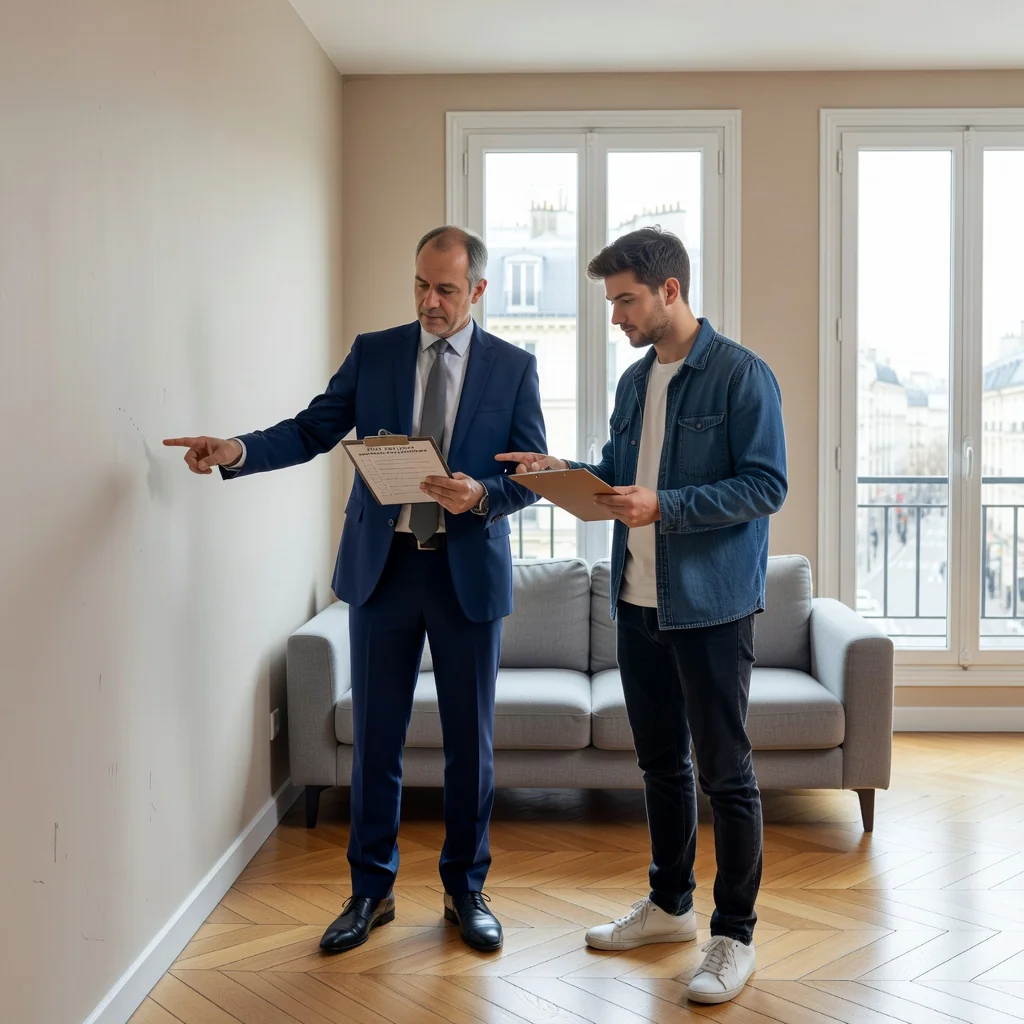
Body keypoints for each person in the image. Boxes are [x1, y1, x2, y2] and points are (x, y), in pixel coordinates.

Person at [165, 226, 546, 955]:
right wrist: (237, 451)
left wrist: (482, 494)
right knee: (376, 739)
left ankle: (466, 890)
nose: (429, 302)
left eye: (445, 290)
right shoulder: (376, 353)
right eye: (420, 285)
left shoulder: (514, 368)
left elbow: (528, 473)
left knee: (471, 745)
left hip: (467, 571)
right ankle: (370, 890)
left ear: (478, 291)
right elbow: (313, 429)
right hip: (383, 570)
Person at [498, 227, 787, 1005]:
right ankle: (669, 907)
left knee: (727, 774)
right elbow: (618, 476)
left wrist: (669, 506)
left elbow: (766, 485)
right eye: (611, 301)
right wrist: (555, 474)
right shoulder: (634, 383)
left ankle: (734, 936)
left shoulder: (740, 376)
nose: (616, 315)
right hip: (637, 601)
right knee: (660, 765)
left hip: (713, 609)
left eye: (625, 299)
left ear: (670, 291)